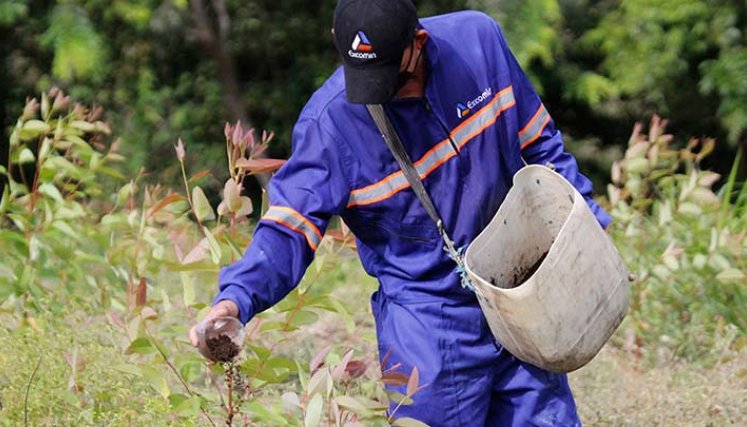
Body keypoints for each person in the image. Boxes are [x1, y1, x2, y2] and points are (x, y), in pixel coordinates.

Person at [190, 0, 611, 425]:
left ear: (418, 42)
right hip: (427, 321)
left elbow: (541, 146)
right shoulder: (330, 125)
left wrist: (588, 235)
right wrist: (235, 300)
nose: (381, 94)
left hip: (521, 292)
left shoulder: (479, 45)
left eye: (391, 78)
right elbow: (289, 230)